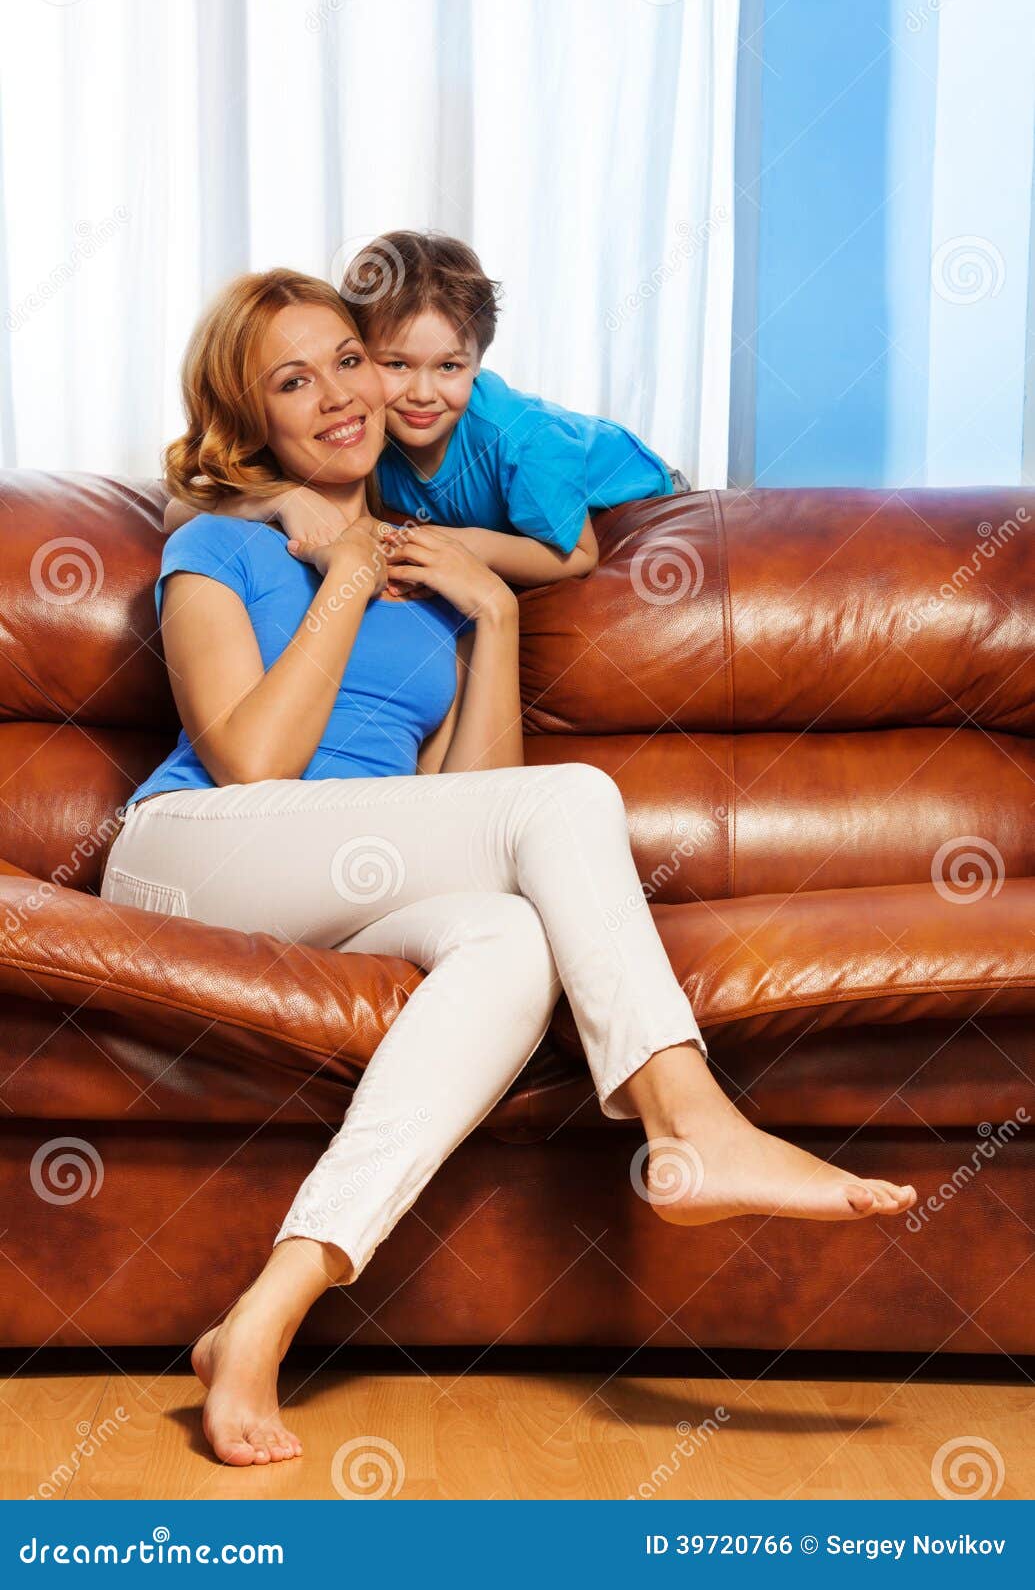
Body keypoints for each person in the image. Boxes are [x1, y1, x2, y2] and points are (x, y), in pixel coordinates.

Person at [102, 268, 917, 1469]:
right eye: (294, 379)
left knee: (514, 940)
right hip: (193, 860)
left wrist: (495, 616)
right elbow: (252, 762)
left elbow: (467, 809)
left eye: (347, 359)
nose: (340, 394)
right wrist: (344, 574)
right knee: (576, 797)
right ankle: (688, 1116)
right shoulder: (214, 545)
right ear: (250, 420)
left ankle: (262, 1317)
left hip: (336, 877)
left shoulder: (436, 583)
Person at [162, 230, 693, 587]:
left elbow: (580, 556)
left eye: (449, 368)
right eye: (395, 364)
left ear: (478, 364)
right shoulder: (359, 432)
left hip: (639, 492)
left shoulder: (527, 444)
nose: (421, 394)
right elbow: (183, 508)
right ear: (361, 354)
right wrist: (282, 500)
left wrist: (462, 543)